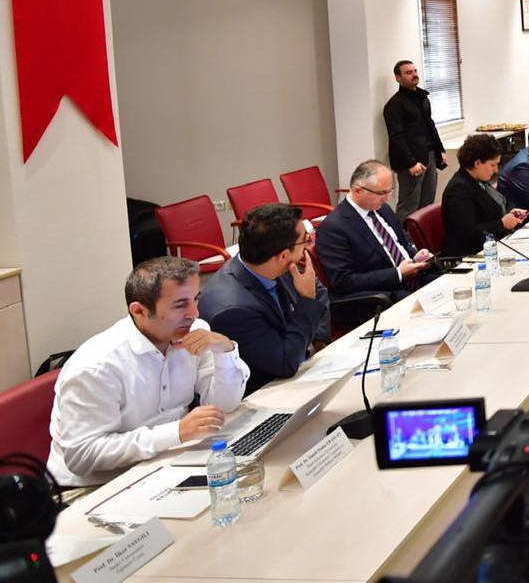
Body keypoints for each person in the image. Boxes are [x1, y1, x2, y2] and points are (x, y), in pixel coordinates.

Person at [47, 257, 249, 488]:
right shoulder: (98, 366)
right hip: (95, 487)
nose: (194, 313)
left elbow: (224, 405)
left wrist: (224, 351)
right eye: (180, 305)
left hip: (167, 463)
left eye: (195, 299)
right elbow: (82, 456)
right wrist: (176, 432)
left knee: (248, 482)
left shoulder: (194, 332)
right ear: (139, 311)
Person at [199, 204, 331, 394]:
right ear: (283, 255)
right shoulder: (233, 310)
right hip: (268, 390)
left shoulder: (270, 262)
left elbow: (319, 292)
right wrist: (307, 299)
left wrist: (318, 341)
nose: (308, 244)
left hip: (304, 362)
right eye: (305, 239)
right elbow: (284, 363)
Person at [314, 160, 438, 302]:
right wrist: (398, 274)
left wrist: (415, 255)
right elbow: (344, 281)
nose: (387, 198)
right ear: (358, 191)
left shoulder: (382, 209)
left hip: (415, 277)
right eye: (382, 193)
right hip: (385, 294)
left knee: (451, 284)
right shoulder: (333, 228)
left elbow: (400, 244)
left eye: (389, 191)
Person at [441, 133, 529, 257]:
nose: (496, 170)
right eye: (492, 165)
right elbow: (466, 232)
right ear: (477, 163)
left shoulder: (478, 181)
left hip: (492, 245)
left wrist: (509, 214)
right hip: (471, 253)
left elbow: (489, 212)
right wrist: (502, 224)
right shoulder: (458, 189)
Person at [383, 60, 447, 218]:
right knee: (409, 205)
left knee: (427, 204)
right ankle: (402, 234)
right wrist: (410, 163)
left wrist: (440, 149)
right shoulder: (394, 105)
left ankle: (422, 234)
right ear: (398, 78)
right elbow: (396, 137)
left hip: (429, 155)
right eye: (408, 72)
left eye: (415, 71)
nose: (414, 75)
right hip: (411, 162)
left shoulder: (423, 98)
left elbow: (430, 125)